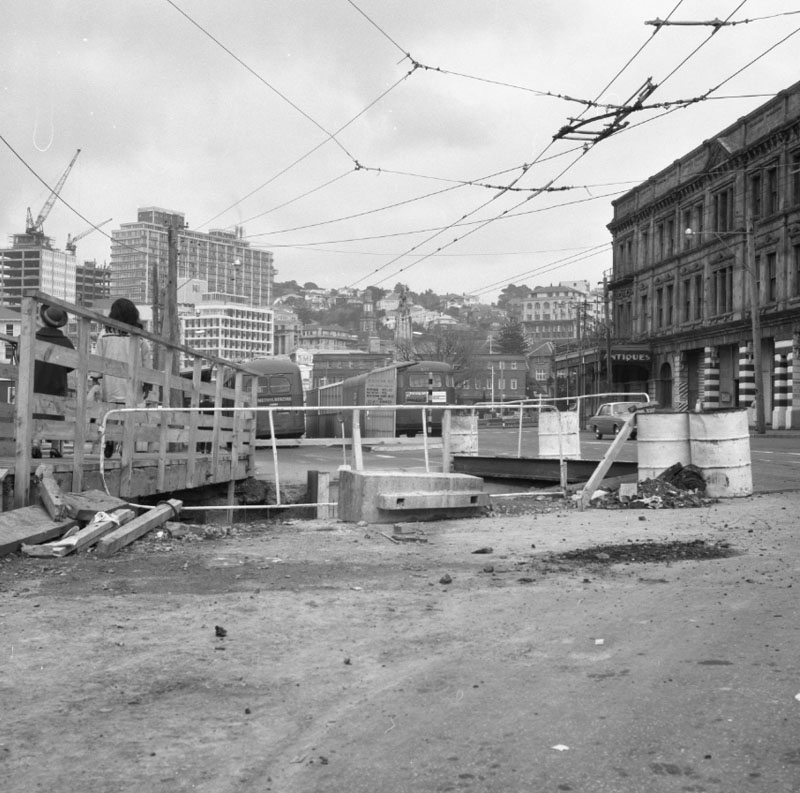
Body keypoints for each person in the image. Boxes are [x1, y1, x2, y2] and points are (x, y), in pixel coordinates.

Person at [93, 298, 152, 458]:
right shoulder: (138, 336)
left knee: (110, 415)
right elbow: (147, 360)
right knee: (128, 415)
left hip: (110, 383)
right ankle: (124, 447)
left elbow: (97, 358)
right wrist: (148, 384)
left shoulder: (104, 334)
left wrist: (95, 378)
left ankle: (110, 441)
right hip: (132, 385)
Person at [33, 305, 75, 458]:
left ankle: (35, 444)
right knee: (57, 413)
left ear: (43, 320)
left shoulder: (34, 338)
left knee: (36, 411)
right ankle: (54, 447)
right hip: (57, 384)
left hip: (36, 382)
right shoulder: (65, 342)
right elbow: (72, 366)